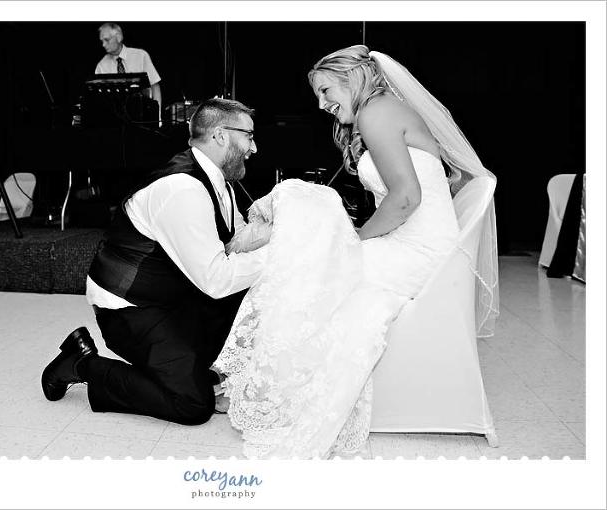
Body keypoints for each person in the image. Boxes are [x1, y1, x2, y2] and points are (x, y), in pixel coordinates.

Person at [214, 45, 499, 458]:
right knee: (313, 256)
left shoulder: (377, 111)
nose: (321, 103)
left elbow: (406, 198)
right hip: (418, 245)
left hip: (418, 251)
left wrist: (359, 239)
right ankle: (265, 384)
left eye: (326, 90)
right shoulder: (384, 110)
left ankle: (271, 389)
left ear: (354, 79)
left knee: (311, 266)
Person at [41, 98, 271, 425]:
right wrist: (274, 255)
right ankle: (81, 364)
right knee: (193, 404)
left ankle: (192, 365)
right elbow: (216, 280)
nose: (254, 147)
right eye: (248, 136)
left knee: (249, 297)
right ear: (221, 135)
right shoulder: (183, 188)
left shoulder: (220, 181)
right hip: (130, 308)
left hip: (171, 296)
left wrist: (277, 233)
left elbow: (234, 242)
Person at [95, 22, 162, 114]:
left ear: (118, 37)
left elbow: (155, 86)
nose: (103, 44)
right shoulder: (101, 66)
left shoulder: (141, 56)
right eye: (102, 41)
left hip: (142, 116)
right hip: (114, 120)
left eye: (106, 40)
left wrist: (158, 117)